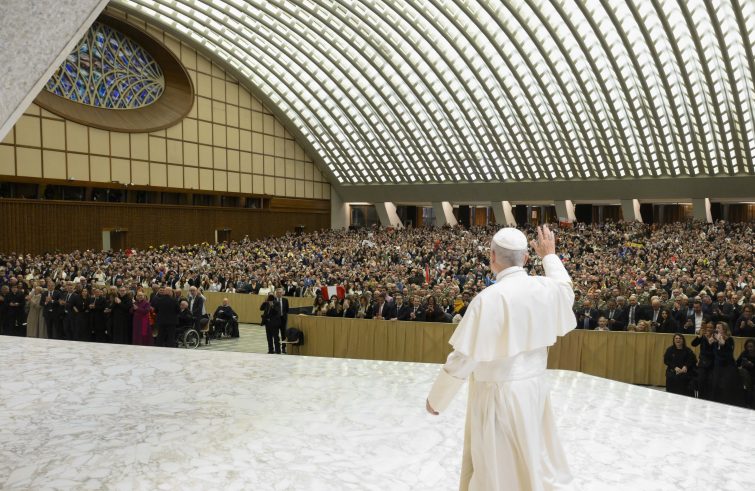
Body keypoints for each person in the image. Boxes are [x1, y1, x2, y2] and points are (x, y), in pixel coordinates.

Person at [426, 225, 575, 490]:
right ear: (526, 258)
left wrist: (437, 399)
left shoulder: (488, 298)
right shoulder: (545, 288)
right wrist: (549, 256)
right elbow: (566, 288)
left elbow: (464, 357)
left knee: (497, 470)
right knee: (532, 461)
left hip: (498, 396)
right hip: (534, 390)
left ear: (492, 257)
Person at [710, 322, 744, 406]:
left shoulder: (729, 340)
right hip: (718, 367)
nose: (716, 330)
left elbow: (728, 355)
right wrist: (714, 343)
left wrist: (723, 344)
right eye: (716, 328)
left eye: (718, 328)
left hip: (728, 367)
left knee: (725, 387)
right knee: (715, 385)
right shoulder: (715, 341)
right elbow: (715, 354)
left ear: (724, 330)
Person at [691, 322, 716, 400]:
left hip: (713, 363)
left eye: (711, 327)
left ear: (714, 329)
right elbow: (693, 344)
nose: (709, 329)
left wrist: (711, 343)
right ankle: (701, 399)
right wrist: (699, 336)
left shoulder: (716, 338)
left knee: (710, 382)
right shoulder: (703, 336)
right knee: (701, 381)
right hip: (703, 363)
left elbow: (714, 352)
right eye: (707, 327)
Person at [736, 339, 755, 408]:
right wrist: (742, 364)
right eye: (748, 347)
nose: (749, 348)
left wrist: (752, 365)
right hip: (746, 373)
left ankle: (750, 403)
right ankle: (746, 403)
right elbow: (737, 363)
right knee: (743, 372)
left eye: (751, 347)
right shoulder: (744, 353)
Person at [274, 288, 290, 353]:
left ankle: (283, 348)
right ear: (276, 293)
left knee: (283, 334)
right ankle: (277, 348)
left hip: (283, 319)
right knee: (276, 334)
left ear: (282, 293)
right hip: (275, 320)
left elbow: (287, 310)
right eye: (278, 293)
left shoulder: (285, 300)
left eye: (280, 292)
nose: (279, 294)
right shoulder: (274, 300)